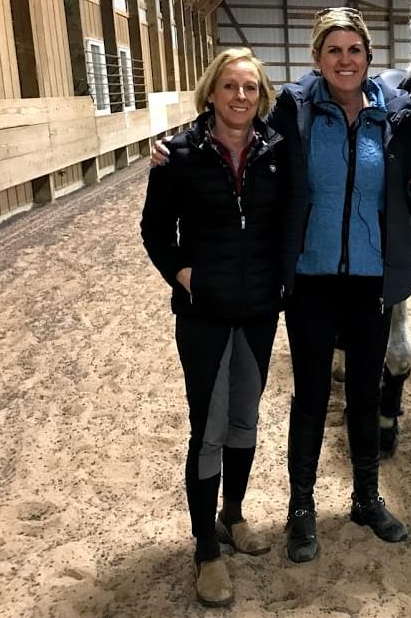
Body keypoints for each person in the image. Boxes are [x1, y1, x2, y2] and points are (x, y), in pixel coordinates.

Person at [265, 7, 411, 562]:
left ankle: (366, 496)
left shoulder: (394, 120)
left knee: (365, 394)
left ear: (368, 59)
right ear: (317, 58)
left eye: (355, 51)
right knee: (312, 396)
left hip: (370, 280)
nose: (346, 60)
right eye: (334, 50)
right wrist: (181, 151)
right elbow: (242, 143)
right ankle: (301, 506)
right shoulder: (294, 111)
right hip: (312, 279)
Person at [141, 48, 291, 607]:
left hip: (257, 311)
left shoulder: (276, 150)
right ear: (212, 92)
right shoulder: (179, 155)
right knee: (208, 426)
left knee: (245, 419)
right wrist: (184, 274)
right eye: (230, 86)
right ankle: (205, 548)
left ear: (261, 95)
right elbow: (154, 229)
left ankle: (233, 516)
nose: (240, 96)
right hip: (203, 312)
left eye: (250, 87)